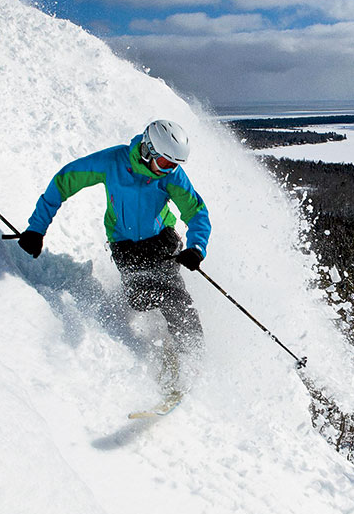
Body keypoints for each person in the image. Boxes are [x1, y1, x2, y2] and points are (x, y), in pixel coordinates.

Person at [17, 120, 211, 392]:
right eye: (166, 164)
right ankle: (164, 332)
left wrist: (196, 248)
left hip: (161, 241)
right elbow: (64, 181)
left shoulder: (171, 176)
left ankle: (192, 359)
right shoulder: (113, 162)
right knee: (141, 298)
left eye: (175, 165)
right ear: (148, 150)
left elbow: (196, 212)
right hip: (125, 246)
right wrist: (36, 229)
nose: (170, 170)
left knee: (176, 297)